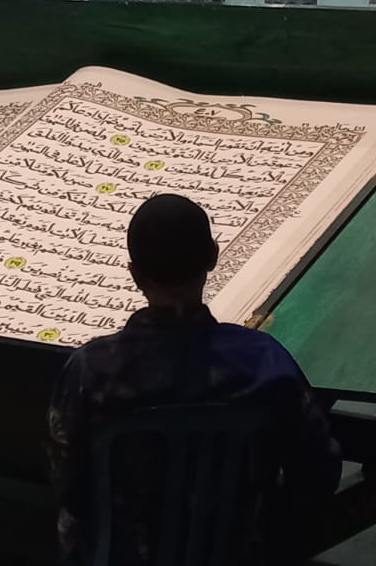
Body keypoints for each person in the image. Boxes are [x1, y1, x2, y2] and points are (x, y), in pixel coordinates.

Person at [47, 194, 342, 566]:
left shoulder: (91, 371)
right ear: (213, 257)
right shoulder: (264, 363)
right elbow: (319, 468)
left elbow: (69, 485)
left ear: (135, 274)